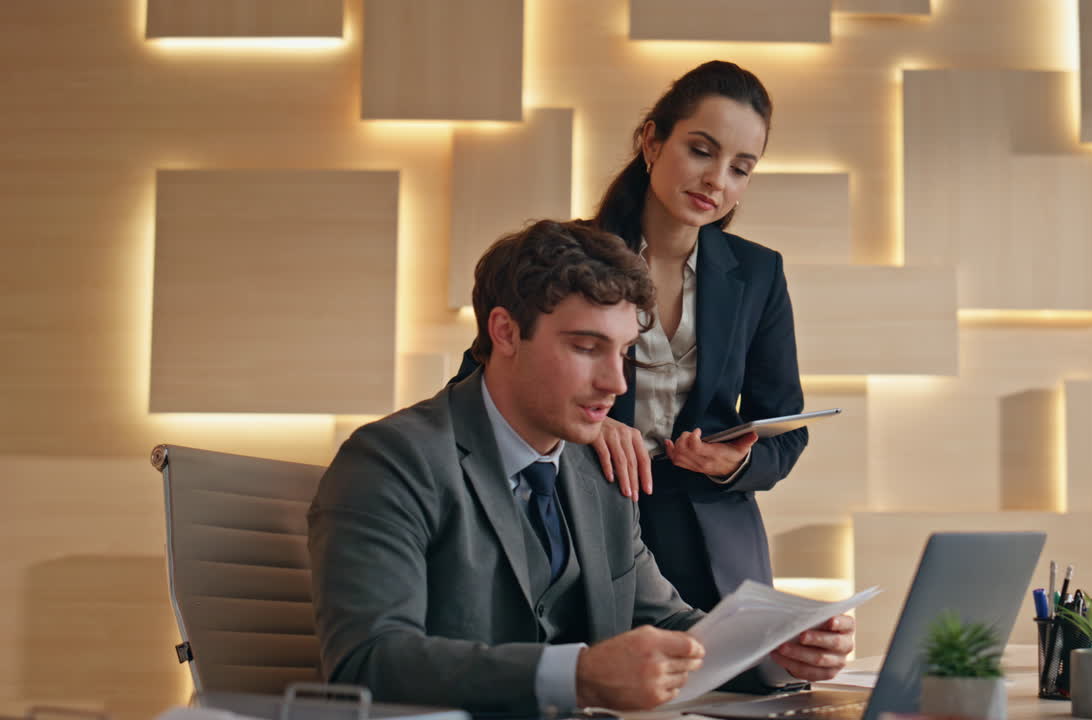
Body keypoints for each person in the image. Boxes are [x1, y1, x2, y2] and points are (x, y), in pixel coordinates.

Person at [308, 220, 853, 715]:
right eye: (587, 347)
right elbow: (368, 661)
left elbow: (665, 621)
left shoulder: (601, 470)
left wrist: (776, 646)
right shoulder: (390, 461)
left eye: (624, 353)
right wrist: (578, 677)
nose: (616, 384)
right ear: (504, 332)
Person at [452, 61, 806, 613]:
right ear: (651, 141)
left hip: (710, 529)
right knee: (597, 682)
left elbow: (785, 431)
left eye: (741, 168)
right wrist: (587, 429)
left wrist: (731, 464)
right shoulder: (565, 258)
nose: (717, 180)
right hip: (579, 508)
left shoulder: (759, 273)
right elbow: (480, 384)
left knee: (736, 684)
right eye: (701, 150)